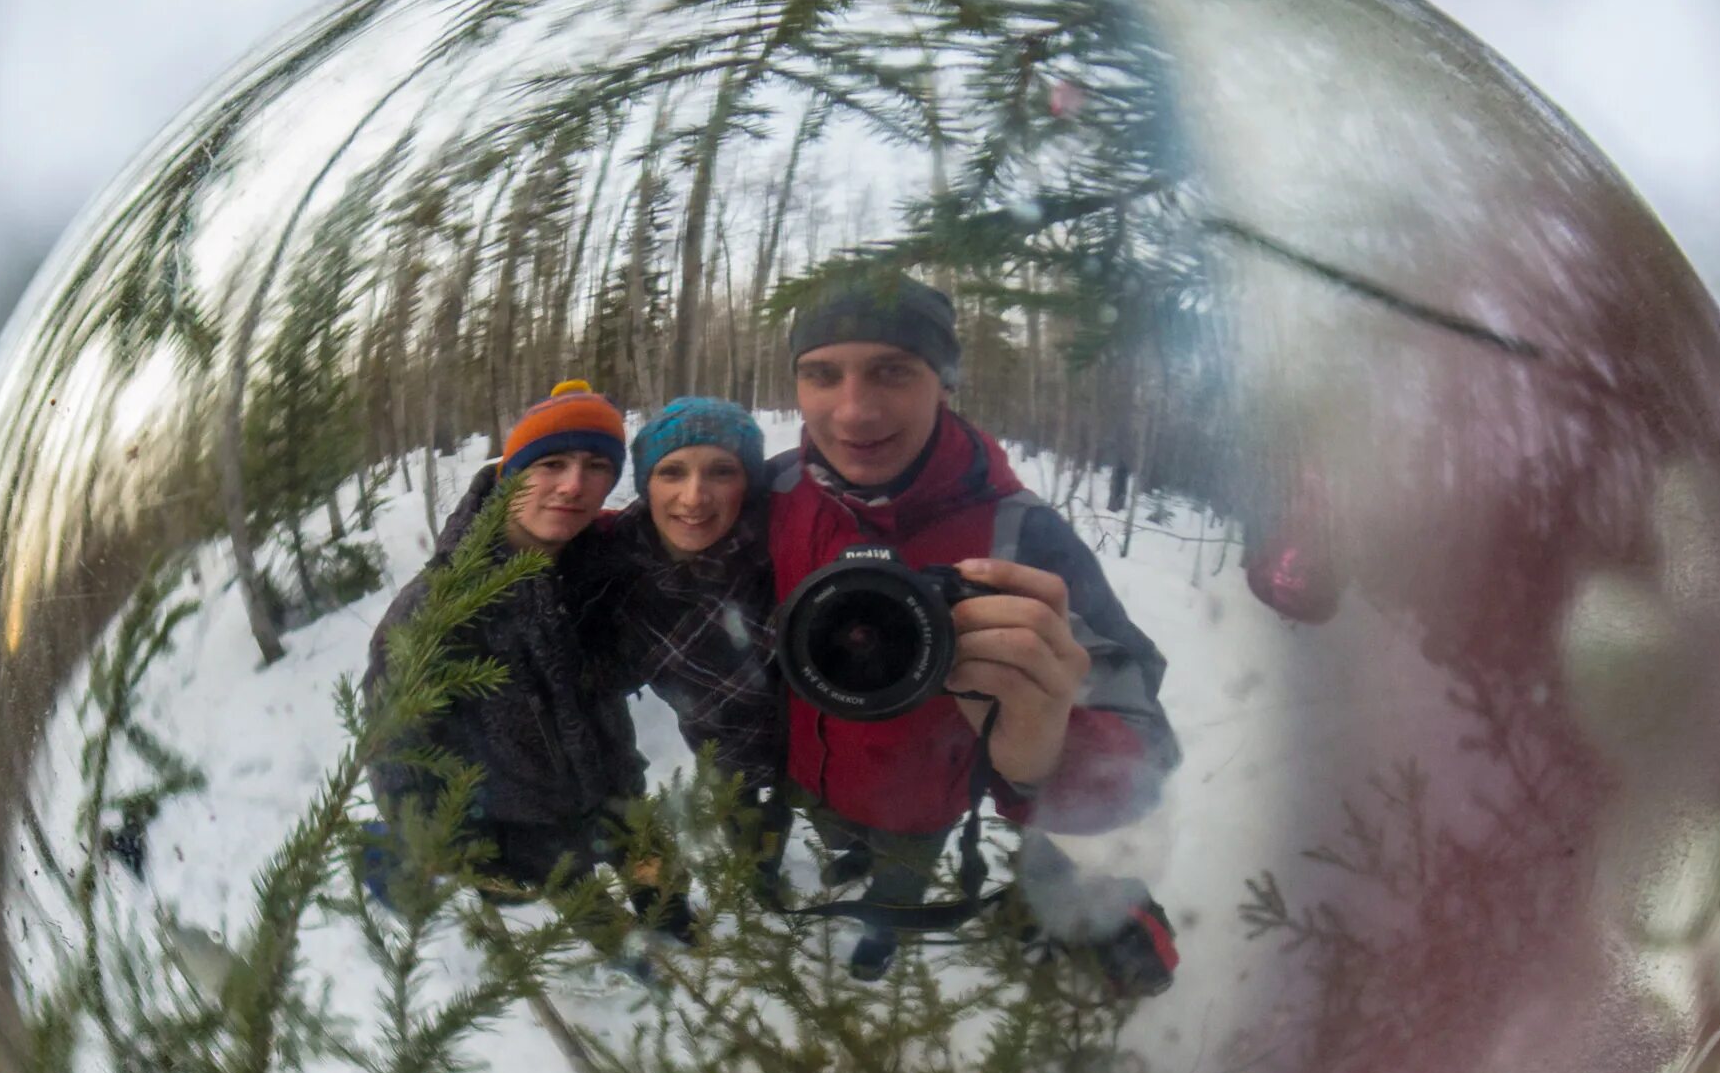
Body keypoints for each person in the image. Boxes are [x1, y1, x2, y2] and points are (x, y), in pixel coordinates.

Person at [766, 272, 1182, 989]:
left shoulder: (1022, 533)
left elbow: (1142, 754)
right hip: (813, 774)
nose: (853, 411)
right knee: (844, 842)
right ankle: (846, 861)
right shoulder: (777, 490)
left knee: (900, 872)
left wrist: (1047, 753)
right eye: (821, 374)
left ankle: (882, 930)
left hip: (924, 802)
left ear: (946, 382)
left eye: (893, 371)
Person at [363, 378, 649, 903]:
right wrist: (474, 851)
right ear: (510, 475)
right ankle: (623, 952)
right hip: (531, 841)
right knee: (591, 914)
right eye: (551, 464)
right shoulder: (436, 607)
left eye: (597, 466)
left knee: (664, 897)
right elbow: (396, 756)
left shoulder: (599, 568)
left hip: (624, 803)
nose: (573, 486)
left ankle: (669, 927)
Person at [564, 397, 792, 907]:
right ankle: (757, 876)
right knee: (743, 820)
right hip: (715, 746)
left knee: (789, 814)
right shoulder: (614, 564)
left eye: (721, 471)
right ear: (647, 485)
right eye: (672, 472)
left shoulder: (784, 551)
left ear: (747, 483)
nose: (694, 497)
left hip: (800, 743)